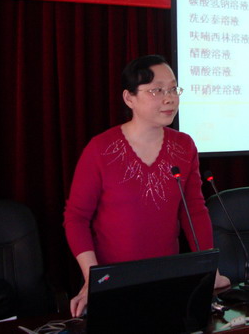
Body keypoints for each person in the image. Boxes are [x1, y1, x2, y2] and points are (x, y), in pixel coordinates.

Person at [63, 54, 230, 317]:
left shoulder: (184, 145)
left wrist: (210, 267)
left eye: (173, 89)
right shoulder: (101, 148)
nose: (169, 98)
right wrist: (92, 277)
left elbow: (194, 211)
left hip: (168, 278)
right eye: (156, 90)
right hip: (114, 281)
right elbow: (76, 218)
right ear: (129, 98)